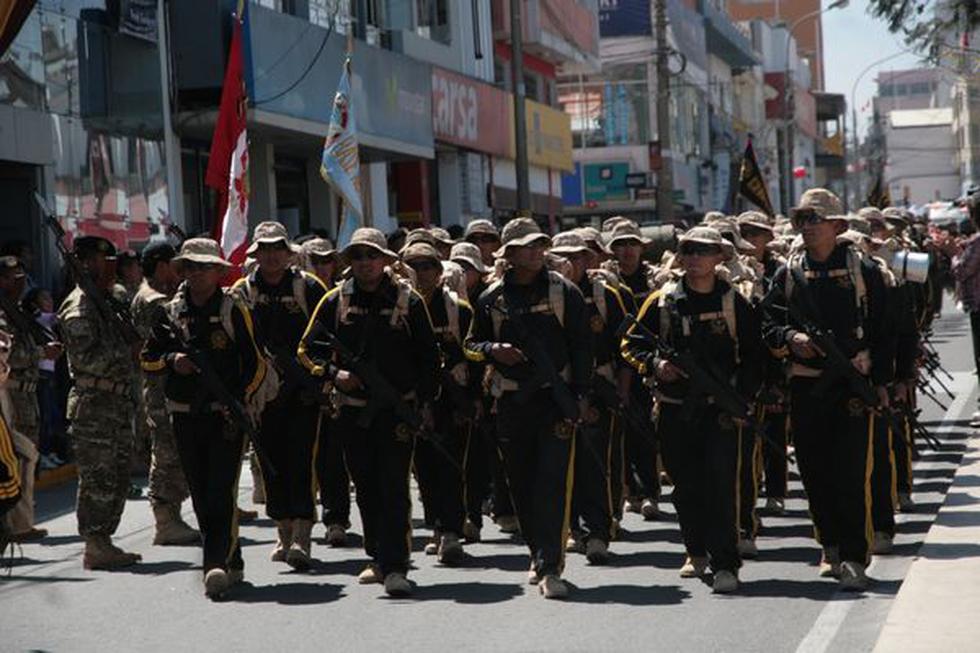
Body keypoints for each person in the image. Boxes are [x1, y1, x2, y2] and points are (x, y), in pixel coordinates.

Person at [762, 188, 895, 591]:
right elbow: (768, 324)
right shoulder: (788, 273)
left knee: (852, 474)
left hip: (852, 386)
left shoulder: (864, 270)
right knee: (815, 472)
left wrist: (883, 380)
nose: (806, 227)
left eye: (814, 219)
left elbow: (886, 329)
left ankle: (855, 557)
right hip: (807, 386)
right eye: (801, 219)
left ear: (837, 225)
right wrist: (791, 338)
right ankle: (830, 546)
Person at [297, 227, 440, 597]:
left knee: (394, 486)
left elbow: (430, 358)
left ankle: (395, 565)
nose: (365, 263)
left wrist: (424, 403)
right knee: (365, 486)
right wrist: (334, 374)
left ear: (385, 260)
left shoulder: (408, 300)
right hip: (352, 411)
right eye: (358, 256)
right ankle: (376, 556)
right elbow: (306, 350)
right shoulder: (335, 300)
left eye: (372, 255)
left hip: (397, 410)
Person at [622, 226, 764, 594]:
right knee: (686, 486)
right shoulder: (662, 300)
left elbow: (756, 355)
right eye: (689, 250)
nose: (696, 258)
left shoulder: (734, 301)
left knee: (721, 486)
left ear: (719, 257)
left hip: (720, 412)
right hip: (674, 409)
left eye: (704, 251)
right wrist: (656, 365)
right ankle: (695, 551)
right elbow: (631, 344)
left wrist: (743, 398)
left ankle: (725, 563)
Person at [464, 218, 593, 599]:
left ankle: (551, 565)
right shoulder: (491, 298)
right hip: (512, 403)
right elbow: (470, 346)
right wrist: (493, 350)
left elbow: (582, 346)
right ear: (510, 253)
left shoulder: (564, 291)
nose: (536, 251)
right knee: (521, 484)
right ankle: (538, 553)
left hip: (555, 402)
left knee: (552, 483)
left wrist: (581, 395)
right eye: (527, 246)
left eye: (539, 244)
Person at [141, 238, 266, 599]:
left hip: (224, 416)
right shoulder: (170, 312)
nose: (197, 273)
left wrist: (238, 400)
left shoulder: (233, 308)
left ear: (217, 272)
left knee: (220, 491)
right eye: (191, 267)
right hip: (184, 416)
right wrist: (171, 361)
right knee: (199, 492)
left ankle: (214, 564)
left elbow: (256, 363)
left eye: (204, 267)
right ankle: (231, 558)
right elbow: (147, 359)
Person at [231, 221, 326, 570]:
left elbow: (327, 336)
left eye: (277, 249)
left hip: (302, 392)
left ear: (288, 253)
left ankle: (302, 532)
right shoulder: (242, 291)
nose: (271, 256)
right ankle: (282, 529)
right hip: (261, 394)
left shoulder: (308, 287)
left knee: (301, 460)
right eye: (265, 249)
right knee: (269, 462)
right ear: (255, 254)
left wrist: (318, 378)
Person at [58, 236, 142, 569]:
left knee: (120, 475)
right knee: (98, 477)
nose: (107, 266)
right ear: (84, 263)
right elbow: (85, 358)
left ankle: (105, 540)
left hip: (118, 401)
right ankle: (94, 544)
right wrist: (126, 350)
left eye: (108, 261)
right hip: (94, 404)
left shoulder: (110, 298)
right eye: (98, 261)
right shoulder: (78, 306)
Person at [551, 231, 630, 565]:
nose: (570, 263)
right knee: (560, 464)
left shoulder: (604, 295)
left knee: (596, 462)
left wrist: (623, 388)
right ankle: (572, 528)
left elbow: (626, 345)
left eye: (577, 256)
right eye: (563, 256)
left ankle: (598, 531)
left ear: (588, 259)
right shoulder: (547, 294)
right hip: (556, 389)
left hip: (599, 387)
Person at [402, 241, 472, 566]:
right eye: (413, 266)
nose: (421, 272)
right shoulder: (399, 306)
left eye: (427, 265)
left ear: (439, 270)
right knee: (424, 469)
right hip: (414, 399)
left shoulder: (459, 309)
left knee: (452, 466)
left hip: (452, 402)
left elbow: (475, 356)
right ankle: (436, 526)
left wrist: (471, 400)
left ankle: (452, 532)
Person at [130, 242, 199, 546]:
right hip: (161, 387)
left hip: (161, 386)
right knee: (167, 454)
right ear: (161, 266)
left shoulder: (148, 296)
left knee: (171, 451)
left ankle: (172, 517)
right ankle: (166, 520)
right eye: (175, 265)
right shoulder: (155, 302)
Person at [607, 221, 662, 521]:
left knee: (647, 433)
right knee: (622, 434)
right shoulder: (608, 281)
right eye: (620, 244)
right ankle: (631, 492)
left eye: (632, 243)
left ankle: (651, 491)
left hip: (649, 364)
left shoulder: (654, 280)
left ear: (642, 247)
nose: (627, 250)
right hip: (617, 364)